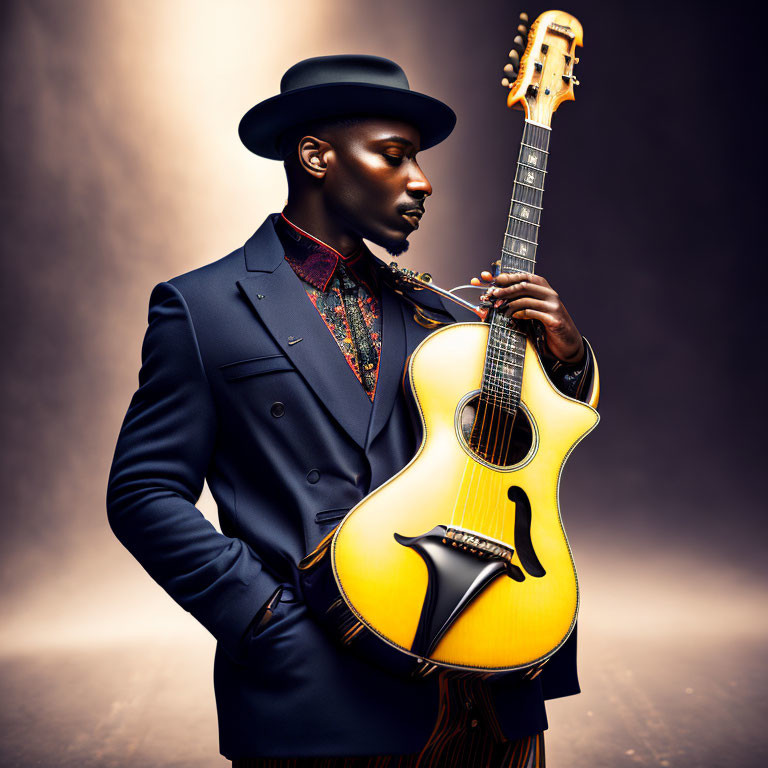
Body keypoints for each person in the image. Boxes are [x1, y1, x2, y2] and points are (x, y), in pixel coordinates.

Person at [106, 54, 598, 767]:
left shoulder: (442, 312)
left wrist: (565, 353)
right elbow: (144, 493)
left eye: (419, 160)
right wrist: (263, 618)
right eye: (395, 157)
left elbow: (525, 446)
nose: (422, 180)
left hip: (484, 676)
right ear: (315, 157)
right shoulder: (201, 307)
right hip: (316, 684)